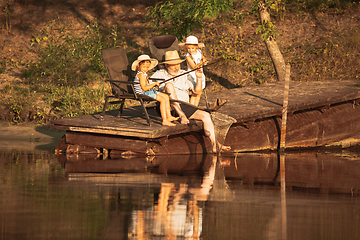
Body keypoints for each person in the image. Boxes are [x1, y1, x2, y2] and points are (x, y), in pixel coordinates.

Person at [151, 50, 231, 153]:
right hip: (168, 107)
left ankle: (215, 145)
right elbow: (146, 88)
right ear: (166, 65)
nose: (176, 67)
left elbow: (197, 91)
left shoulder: (184, 74)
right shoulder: (159, 74)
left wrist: (198, 79)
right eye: (173, 65)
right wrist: (158, 87)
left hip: (185, 106)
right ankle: (181, 115)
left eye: (178, 64)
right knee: (169, 85)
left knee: (206, 116)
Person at [132, 54, 178, 127]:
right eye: (143, 67)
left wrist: (154, 85)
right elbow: (144, 88)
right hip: (142, 93)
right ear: (138, 65)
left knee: (166, 96)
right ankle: (164, 120)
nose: (145, 69)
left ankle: (169, 116)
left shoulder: (144, 74)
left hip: (147, 91)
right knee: (162, 100)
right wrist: (154, 84)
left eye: (147, 67)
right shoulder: (140, 75)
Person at [179, 35, 207, 106]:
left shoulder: (199, 52)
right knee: (195, 93)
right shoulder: (188, 56)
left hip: (200, 75)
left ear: (196, 47)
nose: (190, 50)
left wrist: (204, 60)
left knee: (199, 93)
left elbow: (203, 57)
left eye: (192, 48)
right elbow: (194, 67)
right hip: (192, 75)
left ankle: (195, 107)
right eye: (188, 48)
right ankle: (191, 107)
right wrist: (201, 63)